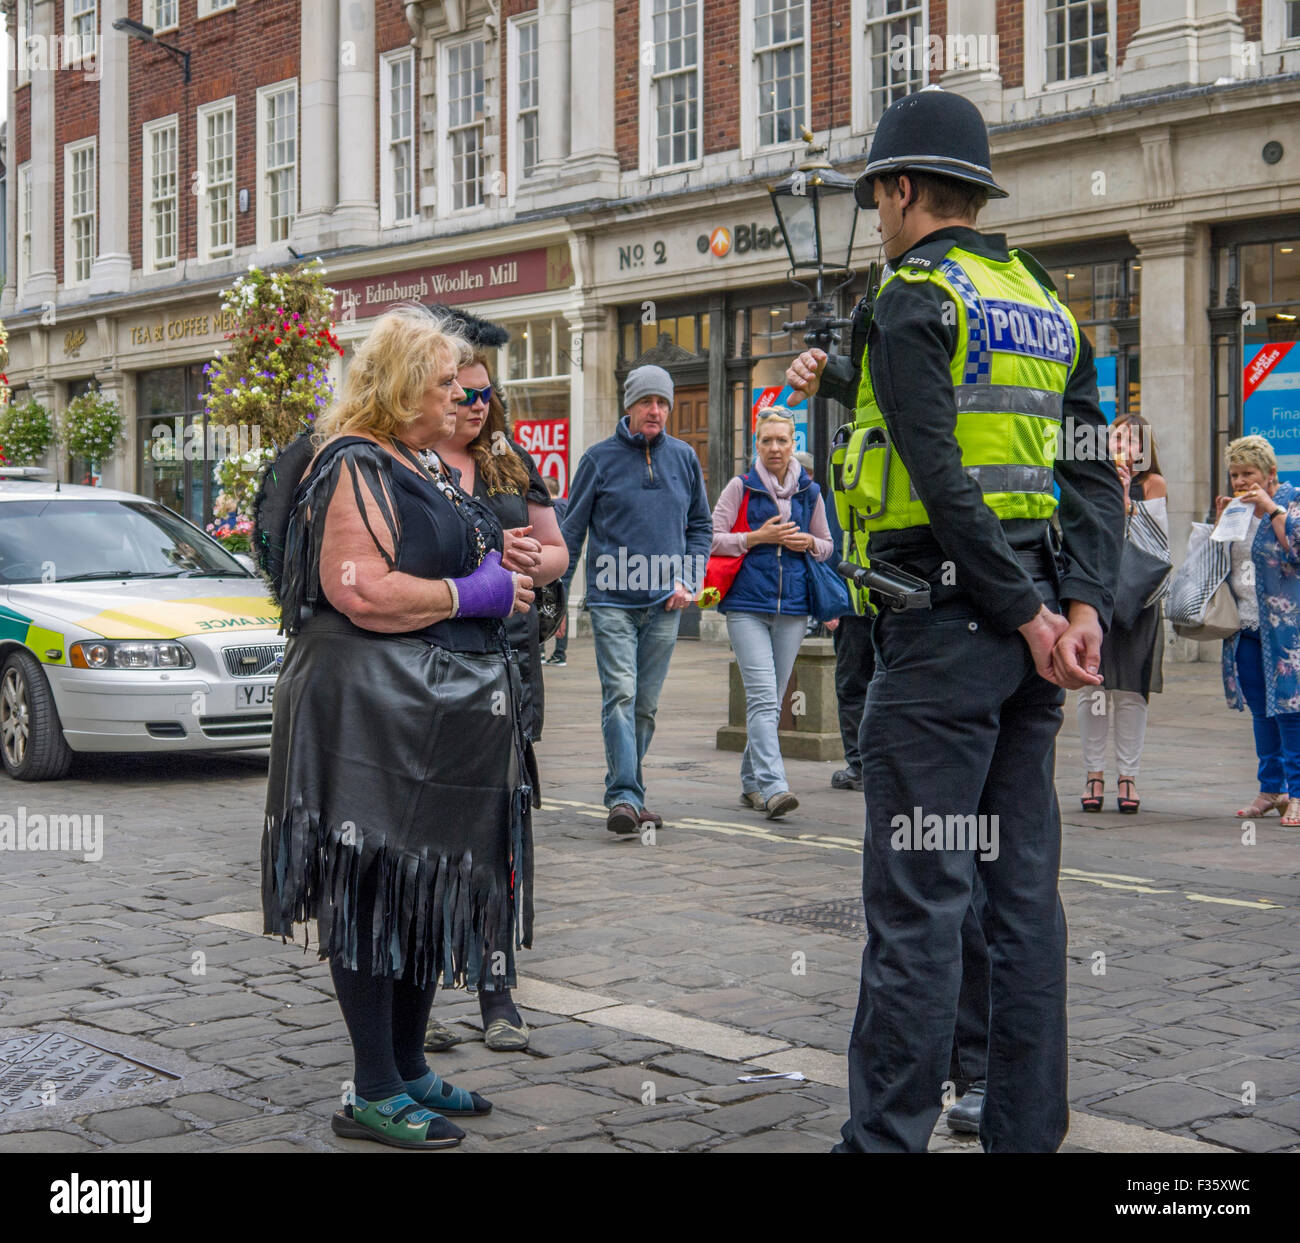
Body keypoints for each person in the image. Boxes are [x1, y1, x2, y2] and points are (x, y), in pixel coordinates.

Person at [786, 87, 1124, 1152]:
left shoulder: (912, 294)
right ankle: (1024, 1132)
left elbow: (935, 474)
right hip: (1027, 645)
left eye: (875, 196)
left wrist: (1023, 612)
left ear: (897, 189)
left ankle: (883, 1140)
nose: (876, 217)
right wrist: (1077, 608)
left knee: (918, 904)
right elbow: (1090, 478)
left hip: (941, 634)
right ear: (975, 192)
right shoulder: (1043, 303)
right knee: (1020, 899)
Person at [261, 306, 536, 1150]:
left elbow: (440, 554)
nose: (459, 392)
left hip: (435, 711)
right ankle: (372, 1091)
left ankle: (411, 1066)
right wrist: (472, 593)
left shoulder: (418, 461)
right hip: (370, 714)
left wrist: (501, 566)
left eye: (461, 380)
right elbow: (360, 589)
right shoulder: (350, 462)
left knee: (429, 884)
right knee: (375, 889)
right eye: (444, 380)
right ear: (401, 385)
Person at [419, 307, 568, 1053]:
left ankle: (497, 992)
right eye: (462, 394)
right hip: (431, 669)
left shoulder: (509, 459)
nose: (476, 407)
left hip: (509, 668)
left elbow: (557, 550)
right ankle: (415, 997)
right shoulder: (408, 465)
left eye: (485, 395)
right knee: (422, 834)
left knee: (498, 834)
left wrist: (535, 564)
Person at [560, 364, 712, 835]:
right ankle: (624, 796)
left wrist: (689, 578)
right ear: (629, 405)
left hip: (666, 602)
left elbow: (700, 528)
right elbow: (572, 533)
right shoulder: (597, 460)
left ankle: (627, 791)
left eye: (663, 403)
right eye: (647, 401)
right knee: (621, 695)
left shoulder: (684, 458)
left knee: (644, 705)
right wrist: (558, 605)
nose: (656, 410)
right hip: (611, 602)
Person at [709, 409, 832, 817]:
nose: (775, 448)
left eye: (782, 440)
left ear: (793, 442)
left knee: (773, 701)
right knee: (763, 697)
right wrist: (756, 537)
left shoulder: (810, 492)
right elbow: (711, 539)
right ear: (756, 445)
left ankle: (750, 782)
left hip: (793, 607)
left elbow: (829, 545)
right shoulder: (739, 488)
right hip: (746, 605)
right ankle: (775, 786)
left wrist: (807, 544)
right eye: (767, 441)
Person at [1078, 413, 1169, 814]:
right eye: (1115, 438)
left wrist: (1126, 498)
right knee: (1092, 689)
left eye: (1129, 440)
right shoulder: (1092, 482)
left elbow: (1156, 547)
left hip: (1137, 599)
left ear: (1143, 449)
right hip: (1096, 595)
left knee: (1131, 691)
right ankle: (1093, 773)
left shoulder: (1152, 485)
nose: (1121, 447)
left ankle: (1128, 776)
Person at [1218, 435, 1300, 826]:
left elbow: (1296, 550)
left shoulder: (1292, 500)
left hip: (1286, 629)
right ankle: (1271, 789)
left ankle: (1298, 793)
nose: (1238, 481)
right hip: (1245, 625)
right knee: (1261, 710)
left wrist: (1273, 510)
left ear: (1270, 475)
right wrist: (1218, 525)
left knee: (1291, 708)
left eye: (1247, 473)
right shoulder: (1236, 508)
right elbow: (1221, 564)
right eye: (1234, 474)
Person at [545, 475, 572, 665]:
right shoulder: (568, 506)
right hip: (566, 561)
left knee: (540, 601)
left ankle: (539, 649)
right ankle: (560, 653)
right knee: (563, 604)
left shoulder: (547, 509)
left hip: (547, 559)